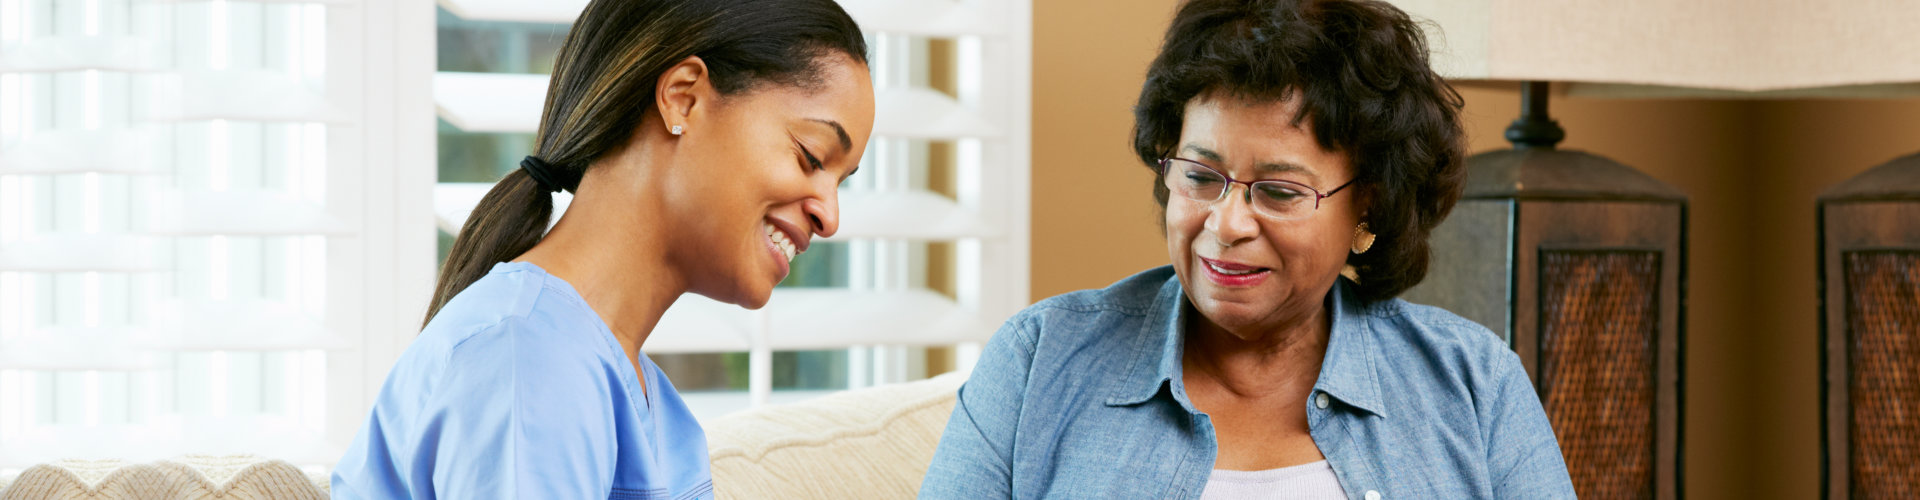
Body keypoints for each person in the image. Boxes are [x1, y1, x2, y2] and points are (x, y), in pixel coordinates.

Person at [919, 0, 1575, 498]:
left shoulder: (1473, 385)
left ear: (1368, 203)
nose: (1226, 224)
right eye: (1201, 178)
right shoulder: (1039, 362)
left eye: (1280, 192)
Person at [330, 1, 872, 497]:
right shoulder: (529, 362)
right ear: (684, 97)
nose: (830, 215)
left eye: (841, 182)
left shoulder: (639, 397)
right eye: (812, 155)